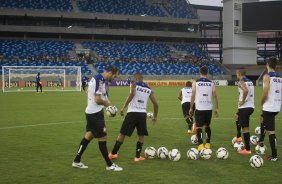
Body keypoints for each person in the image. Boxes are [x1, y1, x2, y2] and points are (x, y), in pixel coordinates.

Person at [72, 65, 123, 171]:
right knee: (103, 138)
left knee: (88, 136)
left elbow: (90, 93)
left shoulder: (97, 79)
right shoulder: (100, 80)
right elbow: (97, 99)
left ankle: (76, 161)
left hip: (91, 112)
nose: (114, 79)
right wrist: (106, 104)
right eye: (114, 76)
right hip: (95, 114)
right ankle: (109, 165)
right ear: (110, 73)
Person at [108, 73, 158, 162]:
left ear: (135, 78)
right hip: (142, 114)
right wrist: (155, 117)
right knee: (141, 136)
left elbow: (132, 94)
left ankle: (113, 154)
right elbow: (156, 104)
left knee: (122, 134)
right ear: (142, 79)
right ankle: (137, 157)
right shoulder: (148, 88)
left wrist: (123, 107)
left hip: (132, 113)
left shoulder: (133, 83)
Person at [189, 66, 218, 151]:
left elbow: (193, 95)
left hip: (199, 108)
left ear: (200, 73)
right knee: (207, 126)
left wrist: (191, 108)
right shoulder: (211, 83)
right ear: (207, 73)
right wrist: (217, 108)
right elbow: (215, 95)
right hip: (209, 108)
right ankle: (208, 143)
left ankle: (201, 145)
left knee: (199, 127)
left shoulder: (195, 83)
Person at [258, 57, 281, 161]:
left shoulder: (267, 76)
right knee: (262, 119)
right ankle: (261, 140)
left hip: (269, 107)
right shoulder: (279, 77)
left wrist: (261, 103)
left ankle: (274, 156)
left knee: (271, 132)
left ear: (267, 65)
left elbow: (265, 92)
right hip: (276, 106)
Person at [236, 69, 255, 155]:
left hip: (244, 107)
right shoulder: (250, 81)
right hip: (251, 107)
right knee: (238, 118)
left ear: (239, 74)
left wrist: (243, 101)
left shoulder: (241, 81)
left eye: (237, 73)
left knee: (245, 129)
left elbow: (245, 91)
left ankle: (247, 149)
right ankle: (244, 142)